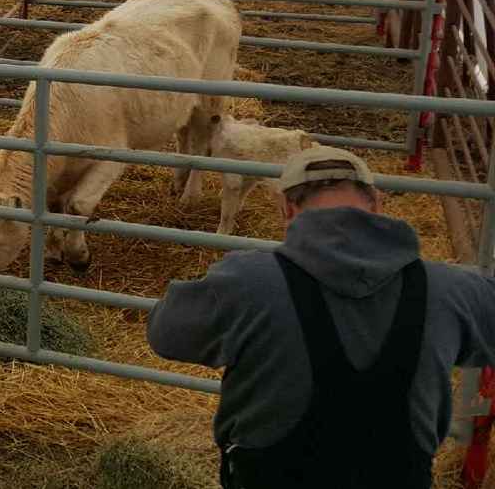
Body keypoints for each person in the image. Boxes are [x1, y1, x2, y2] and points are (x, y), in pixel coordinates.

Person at [147, 146, 495, 488]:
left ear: (286, 208)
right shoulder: (450, 290)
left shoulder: (246, 282)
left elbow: (165, 333)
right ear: (377, 204)